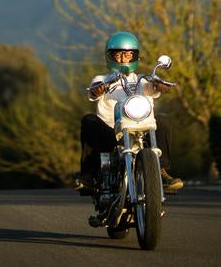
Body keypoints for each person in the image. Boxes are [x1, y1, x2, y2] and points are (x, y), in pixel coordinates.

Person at [78, 30, 183, 192]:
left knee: (164, 120)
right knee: (89, 120)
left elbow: (154, 86)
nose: (123, 59)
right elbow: (93, 91)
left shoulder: (143, 80)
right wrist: (98, 89)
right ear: (110, 57)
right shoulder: (102, 79)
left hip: (141, 131)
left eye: (127, 55)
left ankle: (162, 171)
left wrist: (160, 85)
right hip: (112, 133)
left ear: (134, 57)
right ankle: (87, 176)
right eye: (118, 55)